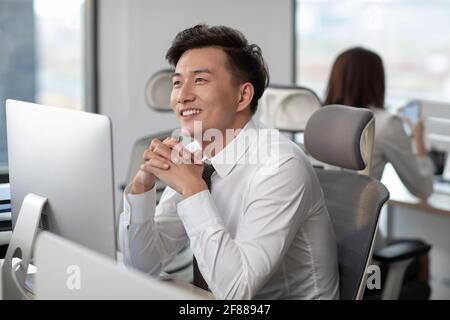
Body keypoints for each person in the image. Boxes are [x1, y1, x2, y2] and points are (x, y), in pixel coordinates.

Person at [118, 24, 339, 300]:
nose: (182, 95)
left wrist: (192, 189)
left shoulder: (281, 166)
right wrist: (141, 188)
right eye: (177, 82)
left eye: (200, 80)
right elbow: (141, 266)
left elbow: (235, 293)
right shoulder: (196, 154)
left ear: (242, 96)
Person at [324, 47, 432, 295]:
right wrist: (419, 142)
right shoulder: (382, 124)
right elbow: (423, 190)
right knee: (420, 253)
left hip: (319, 254)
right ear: (377, 81)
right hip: (362, 257)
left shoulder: (316, 119)